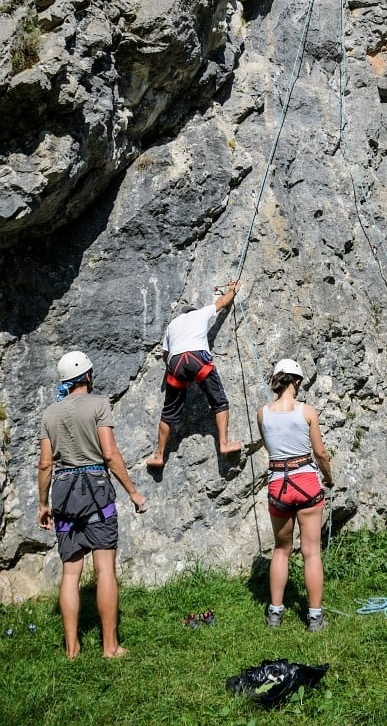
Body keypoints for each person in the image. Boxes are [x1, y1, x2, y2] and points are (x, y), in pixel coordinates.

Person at [38, 350, 147, 659]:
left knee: (70, 573)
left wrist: (44, 503)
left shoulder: (49, 414)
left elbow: (46, 464)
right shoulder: (99, 405)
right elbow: (110, 454)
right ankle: (110, 647)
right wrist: (133, 492)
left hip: (63, 494)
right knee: (105, 570)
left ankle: (72, 648)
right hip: (97, 492)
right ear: (87, 376)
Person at [257, 359, 333, 632]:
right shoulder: (307, 411)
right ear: (297, 381)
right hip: (307, 482)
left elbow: (269, 446)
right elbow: (320, 453)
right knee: (311, 552)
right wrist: (329, 478)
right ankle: (314, 617)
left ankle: (275, 614)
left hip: (279, 484)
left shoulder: (262, 413)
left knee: (281, 550)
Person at [146, 282, 243, 468]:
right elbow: (222, 303)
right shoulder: (200, 313)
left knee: (168, 413)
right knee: (219, 401)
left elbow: (166, 355)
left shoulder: (172, 325)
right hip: (197, 358)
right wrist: (233, 290)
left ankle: (159, 455)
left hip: (175, 363)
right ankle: (224, 443)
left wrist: (175, 369)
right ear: (194, 311)